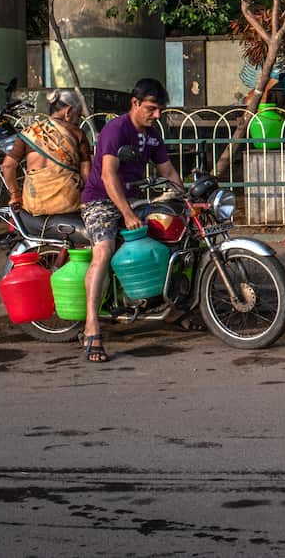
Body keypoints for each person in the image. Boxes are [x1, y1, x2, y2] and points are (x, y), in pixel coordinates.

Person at [78, 78, 184, 363]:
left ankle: (172, 307)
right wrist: (126, 213)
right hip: (100, 201)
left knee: (178, 233)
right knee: (103, 252)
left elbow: (168, 171)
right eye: (151, 108)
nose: (156, 115)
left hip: (134, 201)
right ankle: (92, 327)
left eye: (160, 109)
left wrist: (186, 199)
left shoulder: (152, 135)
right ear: (135, 103)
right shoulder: (116, 129)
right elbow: (108, 175)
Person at [1, 89, 92, 217]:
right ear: (69, 111)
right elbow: (86, 173)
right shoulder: (77, 133)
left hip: (34, 204)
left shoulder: (29, 132)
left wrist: (15, 194)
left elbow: (7, 166)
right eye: (78, 115)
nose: (78, 120)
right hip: (68, 203)